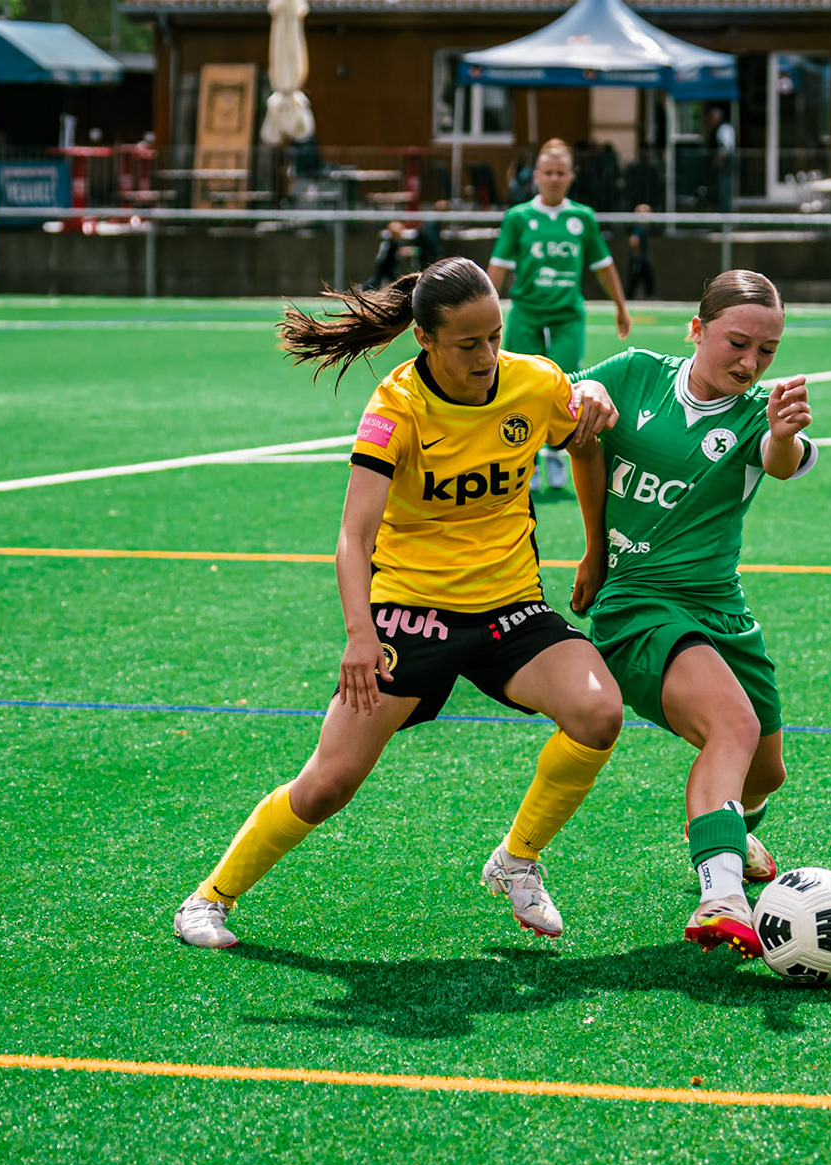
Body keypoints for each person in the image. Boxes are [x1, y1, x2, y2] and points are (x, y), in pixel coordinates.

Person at [172, 257, 625, 949]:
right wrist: (360, 633)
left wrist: (595, 548)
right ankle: (209, 899)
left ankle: (517, 861)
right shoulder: (397, 405)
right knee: (329, 784)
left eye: (494, 337)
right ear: (426, 339)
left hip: (509, 608)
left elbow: (587, 443)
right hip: (410, 614)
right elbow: (353, 536)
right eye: (467, 343)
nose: (486, 356)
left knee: (598, 712)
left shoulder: (536, 382)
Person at [572, 270, 819, 958]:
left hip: (720, 608)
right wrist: (581, 390)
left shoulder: (758, 413)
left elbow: (781, 459)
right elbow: (562, 404)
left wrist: (783, 431)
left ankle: (724, 820)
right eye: (737, 343)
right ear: (697, 329)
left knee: (765, 772)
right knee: (732, 726)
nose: (749, 363)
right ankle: (721, 895)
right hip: (638, 605)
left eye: (766, 352)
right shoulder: (635, 375)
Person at [489, 138, 634, 491]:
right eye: (548, 172)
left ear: (571, 176)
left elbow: (603, 266)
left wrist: (620, 306)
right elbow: (498, 267)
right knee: (522, 385)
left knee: (566, 383)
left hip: (568, 314)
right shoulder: (519, 217)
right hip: (527, 313)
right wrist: (487, 314)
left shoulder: (582, 217)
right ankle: (529, 459)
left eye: (561, 173)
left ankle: (557, 451)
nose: (554, 179)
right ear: (536, 176)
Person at [709, 107, 738, 214]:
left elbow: (727, 147)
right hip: (723, 167)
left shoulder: (724, 129)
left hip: (726, 167)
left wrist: (718, 159)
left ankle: (726, 222)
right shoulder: (721, 128)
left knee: (725, 193)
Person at [626, 203, 656, 300]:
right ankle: (630, 297)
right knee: (636, 277)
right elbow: (633, 241)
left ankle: (647, 296)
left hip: (641, 258)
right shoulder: (639, 227)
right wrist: (637, 254)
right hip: (639, 258)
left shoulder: (642, 227)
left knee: (647, 277)